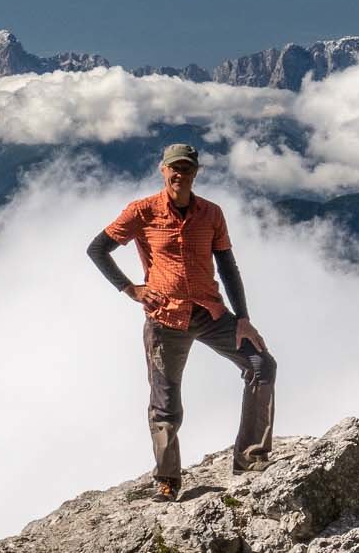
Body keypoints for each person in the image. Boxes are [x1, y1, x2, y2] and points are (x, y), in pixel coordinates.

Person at [86, 144, 275, 498]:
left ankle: (251, 458)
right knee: (166, 401)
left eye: (186, 169)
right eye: (174, 168)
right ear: (162, 170)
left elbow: (228, 268)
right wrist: (131, 289)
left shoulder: (211, 214)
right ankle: (168, 479)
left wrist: (244, 319)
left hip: (209, 312)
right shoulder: (142, 212)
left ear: (196, 173)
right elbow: (97, 249)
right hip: (165, 318)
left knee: (262, 365)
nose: (179, 175)